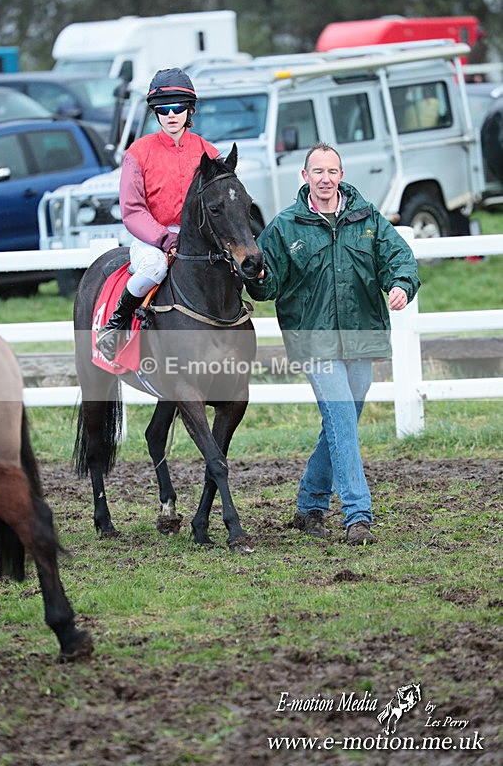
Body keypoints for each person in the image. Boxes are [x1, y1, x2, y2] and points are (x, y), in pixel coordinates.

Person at [244, 143, 420, 545]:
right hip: (313, 339)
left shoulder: (367, 217)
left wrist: (399, 285)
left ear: (341, 175)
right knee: (341, 418)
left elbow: (400, 258)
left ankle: (310, 502)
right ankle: (358, 515)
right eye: (317, 171)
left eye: (332, 171)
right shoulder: (285, 226)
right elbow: (267, 285)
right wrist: (254, 276)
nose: (325, 178)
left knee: (341, 424)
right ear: (304, 177)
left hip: (362, 335)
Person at [96, 68, 219, 361]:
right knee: (153, 269)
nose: (171, 115)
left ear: (190, 111)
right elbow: (132, 210)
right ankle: (115, 326)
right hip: (152, 239)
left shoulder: (209, 153)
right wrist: (164, 238)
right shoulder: (137, 153)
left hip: (199, 239)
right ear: (156, 113)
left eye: (178, 108)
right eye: (163, 110)